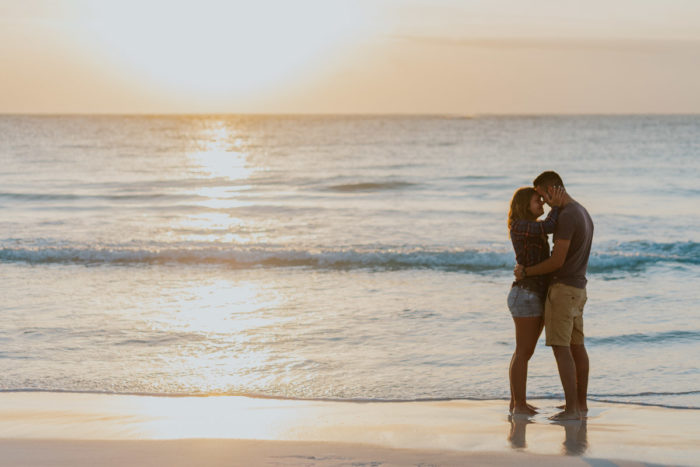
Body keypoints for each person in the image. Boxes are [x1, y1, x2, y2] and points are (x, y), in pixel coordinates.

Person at [514, 171, 594, 421]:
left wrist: (526, 271)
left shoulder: (568, 215)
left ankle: (572, 410)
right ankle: (580, 405)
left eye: (543, 196)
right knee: (576, 347)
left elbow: (557, 261)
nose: (544, 202)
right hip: (578, 289)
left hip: (563, 290)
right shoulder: (582, 211)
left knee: (562, 349)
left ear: (552, 190)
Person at [507, 185, 564, 415]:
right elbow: (550, 225)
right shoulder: (519, 225)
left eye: (543, 201)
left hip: (533, 293)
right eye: (537, 201)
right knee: (523, 352)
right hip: (525, 294)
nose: (542, 204)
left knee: (524, 352)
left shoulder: (529, 227)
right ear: (524, 206)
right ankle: (518, 404)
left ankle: (517, 402)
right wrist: (558, 204)